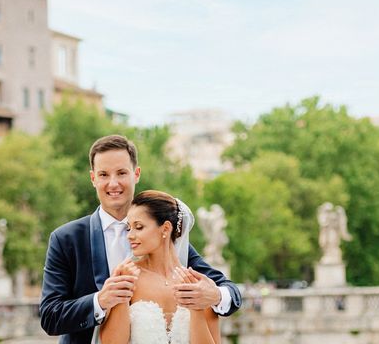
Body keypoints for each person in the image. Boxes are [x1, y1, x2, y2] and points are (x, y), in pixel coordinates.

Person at [40, 135, 241, 343]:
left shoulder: (162, 237)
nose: (113, 183)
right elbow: (49, 316)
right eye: (103, 174)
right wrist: (100, 300)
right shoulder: (66, 239)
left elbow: (227, 289)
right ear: (93, 179)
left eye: (121, 173)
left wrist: (215, 296)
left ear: (136, 174)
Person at [100, 190, 219, 344]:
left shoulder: (197, 283)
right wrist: (123, 293)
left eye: (139, 227)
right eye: (129, 228)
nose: (130, 235)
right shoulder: (127, 277)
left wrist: (196, 309)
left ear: (165, 228)